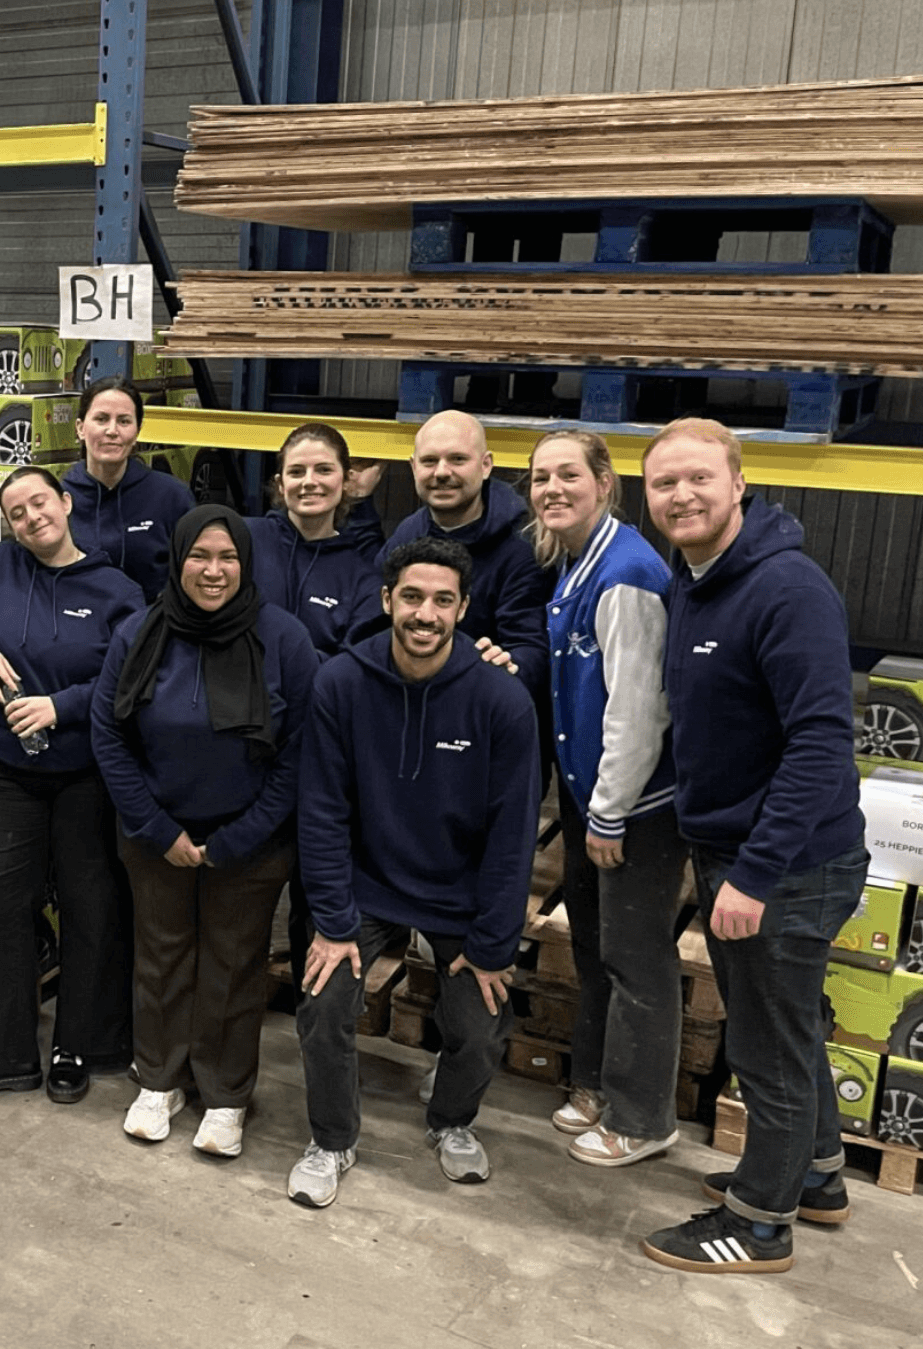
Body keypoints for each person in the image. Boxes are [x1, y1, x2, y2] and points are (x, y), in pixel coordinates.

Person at [637, 418, 869, 1275]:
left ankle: (759, 1221)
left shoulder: (785, 589)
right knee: (792, 1022)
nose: (681, 496)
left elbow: (819, 742)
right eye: (664, 484)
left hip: (786, 865)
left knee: (765, 1046)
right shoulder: (693, 579)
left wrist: (756, 875)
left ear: (738, 482)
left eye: (698, 478)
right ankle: (815, 1175)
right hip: (745, 853)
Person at [287, 537, 539, 1207]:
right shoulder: (339, 683)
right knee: (324, 1002)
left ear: (461, 608)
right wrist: (333, 924)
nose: (424, 614)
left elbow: (512, 837)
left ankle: (450, 1121)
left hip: (457, 891)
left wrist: (490, 946)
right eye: (412, 597)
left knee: (480, 1019)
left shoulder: (502, 702)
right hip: (365, 885)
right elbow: (320, 813)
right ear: (385, 600)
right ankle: (332, 1138)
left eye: (442, 600)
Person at [91, 505, 316, 1158]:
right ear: (177, 558)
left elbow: (301, 748)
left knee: (232, 965)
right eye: (199, 556)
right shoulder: (138, 632)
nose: (212, 570)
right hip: (153, 834)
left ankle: (225, 1094)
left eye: (227, 558)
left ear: (244, 564)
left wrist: (239, 837)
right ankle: (160, 1079)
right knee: (158, 958)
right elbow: (108, 732)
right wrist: (156, 828)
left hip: (249, 842)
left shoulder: (284, 639)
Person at [0, 468, 145, 1103]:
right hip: (9, 775)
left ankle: (83, 1046)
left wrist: (62, 706)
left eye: (39, 503)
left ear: (66, 503)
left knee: (92, 909)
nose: (30, 518)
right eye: (16, 512)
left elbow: (134, 677)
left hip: (88, 775)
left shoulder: (116, 590)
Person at [526, 431, 687, 1167]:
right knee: (594, 949)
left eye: (566, 474)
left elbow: (637, 707)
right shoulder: (575, 563)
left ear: (603, 482)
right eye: (539, 477)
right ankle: (592, 1082)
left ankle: (642, 1115)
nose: (551, 488)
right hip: (592, 795)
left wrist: (609, 811)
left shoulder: (624, 574)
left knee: (634, 960)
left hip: (633, 808)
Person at [380, 409, 548, 691]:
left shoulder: (522, 547)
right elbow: (373, 625)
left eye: (457, 459)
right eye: (430, 461)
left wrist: (509, 668)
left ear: (486, 465)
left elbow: (529, 649)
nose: (442, 472)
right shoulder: (407, 536)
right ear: (413, 468)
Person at [246, 422, 383, 660]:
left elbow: (351, 669)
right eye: (296, 472)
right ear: (281, 484)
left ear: (347, 481)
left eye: (324, 470)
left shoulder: (362, 579)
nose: (309, 481)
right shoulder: (243, 540)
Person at [62, 376, 196, 601]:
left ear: (137, 431)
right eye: (101, 419)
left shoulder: (172, 497)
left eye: (124, 421)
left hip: (151, 629)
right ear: (80, 428)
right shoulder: (58, 500)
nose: (112, 431)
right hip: (80, 628)